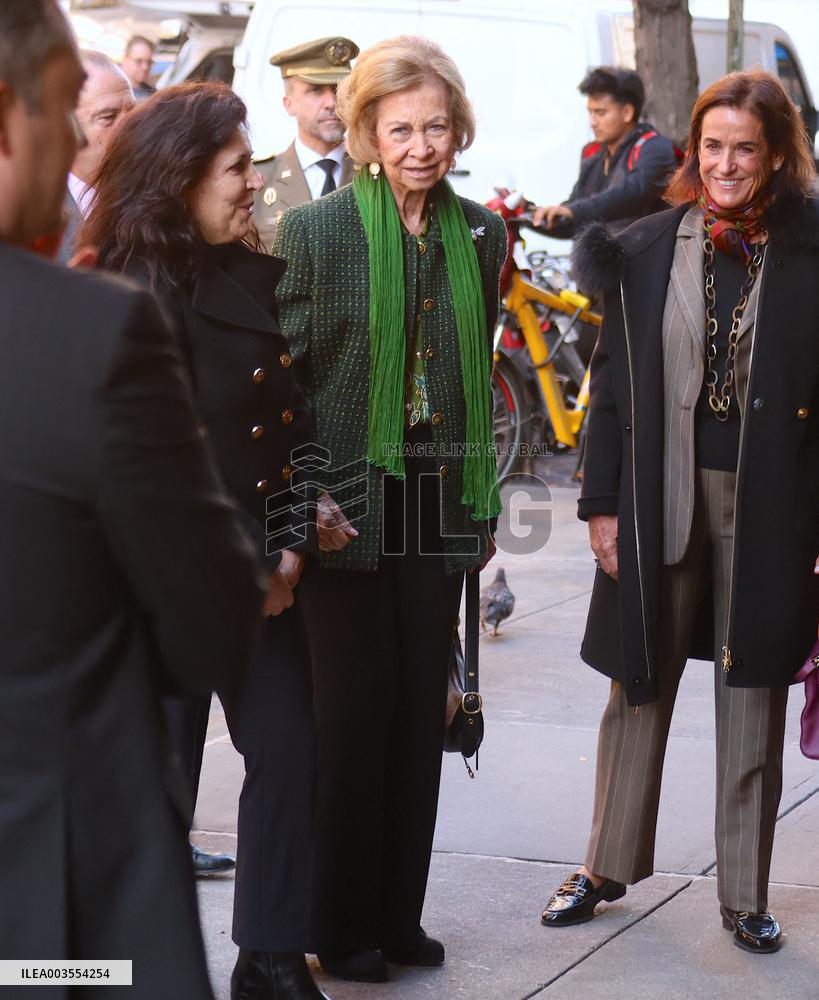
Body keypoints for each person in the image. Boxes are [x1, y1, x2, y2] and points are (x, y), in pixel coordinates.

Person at [0, 3, 265, 997]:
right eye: (67, 106)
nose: (77, 140)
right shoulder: (91, 330)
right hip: (57, 889)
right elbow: (210, 612)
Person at [541, 70, 819, 955]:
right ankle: (605, 865)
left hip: (773, 501)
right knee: (637, 677)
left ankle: (744, 891)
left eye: (745, 148)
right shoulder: (645, 245)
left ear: (775, 155)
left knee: (752, 690)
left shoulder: (812, 254)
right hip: (657, 494)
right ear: (690, 150)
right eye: (712, 146)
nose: (726, 164)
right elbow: (613, 386)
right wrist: (598, 504)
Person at [82, 81, 349, 1000]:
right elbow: (136, 468)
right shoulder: (116, 295)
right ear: (180, 177)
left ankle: (270, 958)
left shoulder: (249, 274)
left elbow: (288, 432)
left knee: (288, 750)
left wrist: (292, 540)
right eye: (237, 168)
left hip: (263, 581)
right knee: (153, 790)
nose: (253, 184)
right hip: (156, 596)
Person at [274, 35, 506, 984]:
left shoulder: (481, 232)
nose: (421, 145)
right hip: (344, 505)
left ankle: (398, 918)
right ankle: (341, 921)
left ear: (458, 130)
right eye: (401, 127)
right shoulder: (316, 231)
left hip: (437, 500)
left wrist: (480, 502)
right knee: (351, 717)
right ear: (366, 130)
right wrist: (303, 494)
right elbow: (279, 386)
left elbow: (476, 373)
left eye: (437, 126)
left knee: (420, 715)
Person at [533, 67, 679, 238]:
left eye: (600, 113)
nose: (593, 122)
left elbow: (632, 192)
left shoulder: (655, 148)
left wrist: (573, 211)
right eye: (590, 112)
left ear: (627, 113)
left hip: (642, 262)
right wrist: (528, 214)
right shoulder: (592, 154)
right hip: (595, 263)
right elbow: (573, 218)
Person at [253, 36, 358, 249]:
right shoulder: (258, 182)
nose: (331, 102)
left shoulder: (375, 175)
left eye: (338, 89)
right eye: (315, 90)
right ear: (289, 104)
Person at [58, 49, 134, 264]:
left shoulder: (157, 199)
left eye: (133, 112)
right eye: (108, 117)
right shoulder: (29, 218)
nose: (127, 127)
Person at [121, 34, 156, 101]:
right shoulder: (112, 91)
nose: (145, 67)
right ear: (125, 60)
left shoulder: (154, 95)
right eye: (139, 61)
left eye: (149, 62)